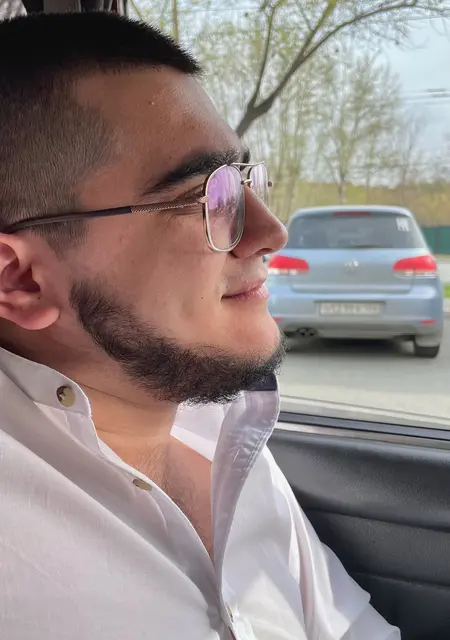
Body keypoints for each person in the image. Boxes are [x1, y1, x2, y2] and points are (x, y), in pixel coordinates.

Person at [0, 11, 400, 640]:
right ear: (21, 281)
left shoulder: (225, 434)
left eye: (243, 182)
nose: (271, 232)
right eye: (205, 198)